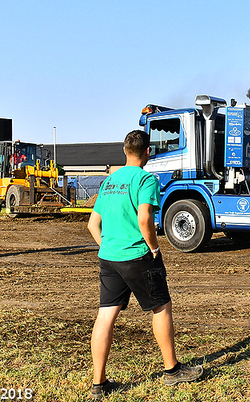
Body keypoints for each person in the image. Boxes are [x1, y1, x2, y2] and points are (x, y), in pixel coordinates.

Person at [87, 130, 203, 400]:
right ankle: (172, 370)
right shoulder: (146, 179)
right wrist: (154, 248)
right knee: (161, 308)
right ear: (148, 152)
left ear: (125, 151)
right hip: (137, 255)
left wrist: (107, 247)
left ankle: (99, 384)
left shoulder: (109, 181)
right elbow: (144, 219)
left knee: (106, 315)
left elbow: (93, 224)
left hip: (109, 257)